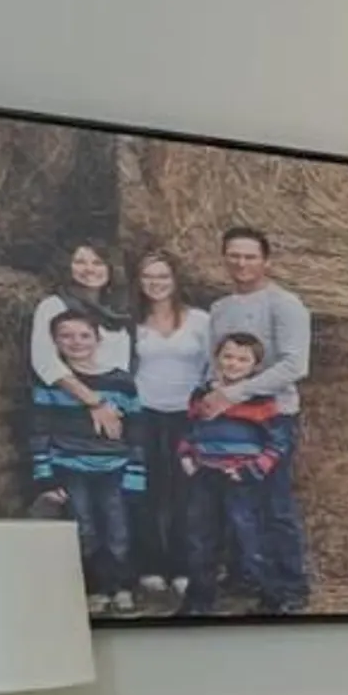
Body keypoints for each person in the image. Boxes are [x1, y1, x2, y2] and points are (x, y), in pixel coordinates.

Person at [196, 224, 316, 613]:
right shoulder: (220, 308)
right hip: (226, 420)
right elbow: (214, 360)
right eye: (234, 255)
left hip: (270, 419)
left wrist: (235, 393)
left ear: (266, 260)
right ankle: (247, 576)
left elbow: (294, 366)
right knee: (231, 503)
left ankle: (290, 587)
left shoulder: (284, 304)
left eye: (250, 256)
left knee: (273, 504)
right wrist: (210, 395)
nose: (241, 263)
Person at [27, 310, 142, 609]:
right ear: (55, 342)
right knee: (83, 527)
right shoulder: (51, 384)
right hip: (70, 467)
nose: (76, 342)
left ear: (98, 339)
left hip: (114, 467)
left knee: (118, 528)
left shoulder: (121, 381)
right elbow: (39, 430)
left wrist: (136, 472)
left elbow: (136, 429)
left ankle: (122, 586)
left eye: (83, 335)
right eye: (66, 336)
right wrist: (45, 476)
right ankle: (95, 588)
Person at [177, 329, 295, 613]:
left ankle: (273, 598)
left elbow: (278, 443)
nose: (233, 364)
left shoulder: (261, 400)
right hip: (205, 474)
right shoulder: (202, 394)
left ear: (255, 366)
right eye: (228, 357)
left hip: (241, 478)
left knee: (250, 536)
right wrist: (186, 455)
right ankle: (199, 601)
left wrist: (252, 470)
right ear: (217, 358)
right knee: (200, 538)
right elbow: (191, 428)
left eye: (243, 360)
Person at [121, 248, 212, 606]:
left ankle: (183, 566)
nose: (155, 283)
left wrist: (205, 404)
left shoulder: (200, 321)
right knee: (148, 491)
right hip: (144, 413)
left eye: (162, 276)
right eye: (148, 277)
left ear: (175, 280)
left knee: (185, 493)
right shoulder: (131, 323)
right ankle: (151, 565)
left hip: (187, 415)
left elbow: (213, 366)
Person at [27, 240, 132, 450]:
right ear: (69, 267)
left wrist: (115, 405)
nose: (89, 269)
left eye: (98, 263)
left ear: (110, 269)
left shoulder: (117, 310)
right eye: (80, 262)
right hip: (70, 405)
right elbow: (45, 362)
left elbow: (121, 363)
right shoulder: (54, 305)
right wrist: (94, 402)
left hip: (112, 404)